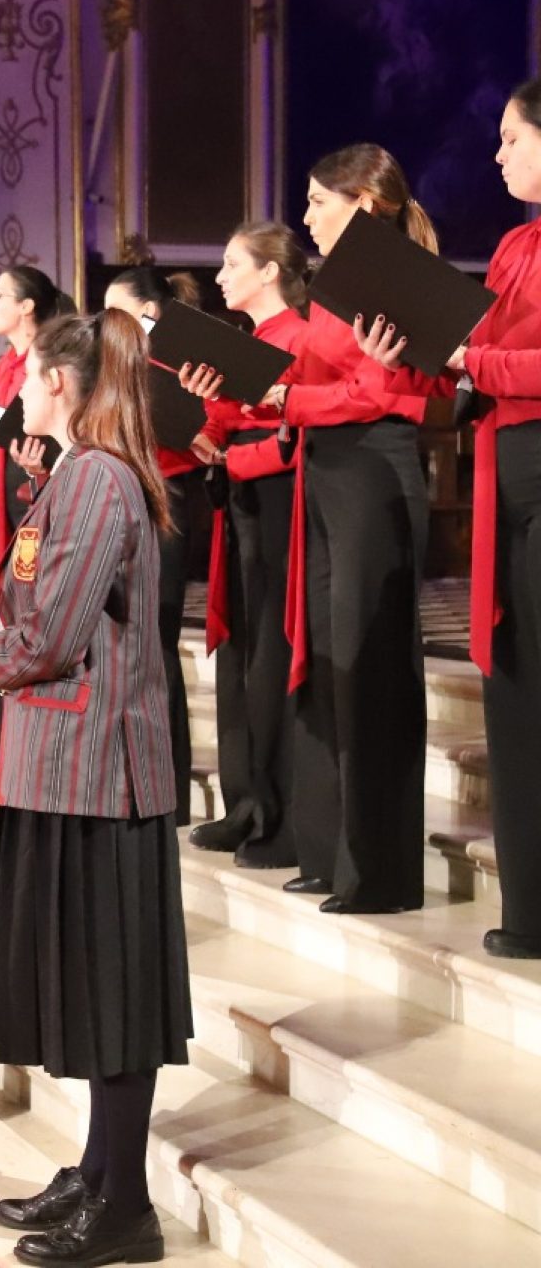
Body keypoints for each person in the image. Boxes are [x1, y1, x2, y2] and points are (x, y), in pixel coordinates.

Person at [0, 310, 190, 1268]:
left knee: (113, 991)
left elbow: (53, 633)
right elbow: (41, 601)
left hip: (99, 770)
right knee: (85, 983)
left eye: (24, 372)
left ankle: (126, 1205)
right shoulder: (72, 473)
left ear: (58, 380)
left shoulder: (98, 477)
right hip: (63, 761)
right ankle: (98, 1171)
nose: (14, 386)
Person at [356, 84, 541, 954]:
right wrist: (409, 356)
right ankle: (531, 911)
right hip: (509, 475)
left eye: (512, 138)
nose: (497, 155)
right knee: (514, 687)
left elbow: (498, 361)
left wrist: (476, 361)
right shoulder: (512, 247)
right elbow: (469, 364)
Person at [280, 144, 431, 915]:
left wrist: (288, 401)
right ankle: (338, 853)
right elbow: (325, 381)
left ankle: (383, 870)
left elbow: (376, 393)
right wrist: (255, 389)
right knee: (335, 657)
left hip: (375, 464)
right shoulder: (333, 284)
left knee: (373, 666)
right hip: (330, 467)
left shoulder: (394, 275)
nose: (306, 216)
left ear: (364, 204)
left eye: (318, 201)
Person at [181, 224, 309, 869]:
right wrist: (205, 423)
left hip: (277, 502)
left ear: (269, 271)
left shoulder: (298, 337)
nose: (221, 277)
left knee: (269, 652)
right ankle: (245, 803)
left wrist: (234, 454)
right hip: (240, 498)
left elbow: (293, 432)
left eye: (233, 265)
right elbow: (232, 419)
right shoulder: (249, 341)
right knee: (240, 654)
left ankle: (275, 812)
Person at [104, 263, 204, 824]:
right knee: (134, 642)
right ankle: (139, 781)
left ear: (148, 311)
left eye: (115, 310)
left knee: (158, 643)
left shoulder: (176, 361)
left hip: (168, 497)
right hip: (131, 495)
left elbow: (192, 432)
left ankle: (172, 793)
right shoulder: (125, 363)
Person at [0, 266, 69, 568]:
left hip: (40, 476)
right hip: (7, 471)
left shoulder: (50, 360)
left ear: (26, 306)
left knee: (35, 567)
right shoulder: (4, 364)